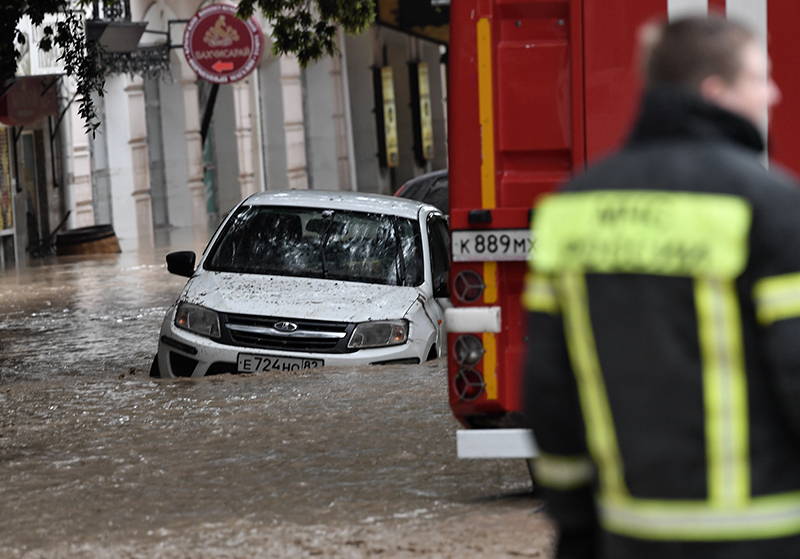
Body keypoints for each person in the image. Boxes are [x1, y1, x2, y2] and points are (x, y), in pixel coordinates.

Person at [522, 15, 800, 559]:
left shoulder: (572, 209)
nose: (774, 92)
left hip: (632, 533)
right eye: (758, 78)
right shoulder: (772, 204)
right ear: (715, 92)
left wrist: (576, 522)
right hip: (767, 532)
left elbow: (549, 389)